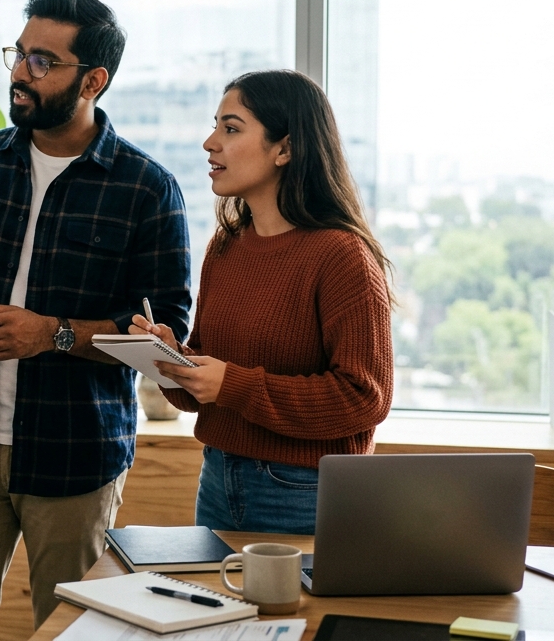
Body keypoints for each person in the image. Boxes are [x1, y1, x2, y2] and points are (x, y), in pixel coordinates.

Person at [0, 0, 192, 639]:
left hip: (74, 459)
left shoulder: (146, 189)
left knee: (71, 632)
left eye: (41, 61)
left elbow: (166, 333)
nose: (18, 73)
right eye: (18, 54)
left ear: (92, 80)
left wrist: (53, 335)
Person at [132, 69, 394, 535]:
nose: (210, 142)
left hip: (303, 491)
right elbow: (212, 387)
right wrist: (172, 359)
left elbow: (364, 398)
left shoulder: (342, 257)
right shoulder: (227, 246)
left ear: (285, 149)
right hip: (216, 478)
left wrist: (231, 384)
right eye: (216, 125)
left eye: (231, 129)